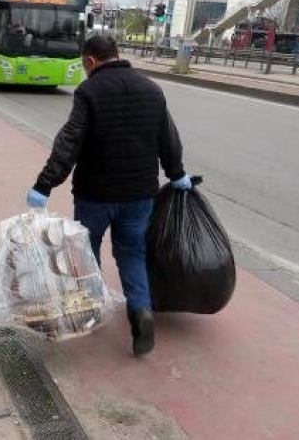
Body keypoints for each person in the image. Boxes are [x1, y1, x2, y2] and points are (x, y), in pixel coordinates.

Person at [26, 35, 191, 357]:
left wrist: (44, 184)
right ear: (116, 54)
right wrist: (177, 174)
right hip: (139, 194)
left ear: (90, 61)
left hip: (95, 195)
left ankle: (92, 310)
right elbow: (168, 139)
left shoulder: (89, 91)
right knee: (132, 254)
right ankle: (141, 311)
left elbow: (69, 143)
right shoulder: (151, 89)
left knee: (87, 252)